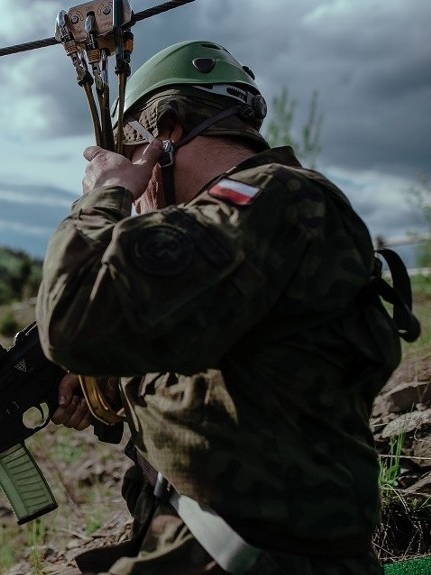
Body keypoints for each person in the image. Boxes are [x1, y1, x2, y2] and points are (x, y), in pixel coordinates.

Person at [35, 40, 419, 575]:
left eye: (132, 152)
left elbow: (71, 317)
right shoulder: (254, 224)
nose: (136, 184)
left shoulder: (273, 197)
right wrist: (109, 387)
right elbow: (234, 382)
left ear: (164, 135)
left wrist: (103, 196)